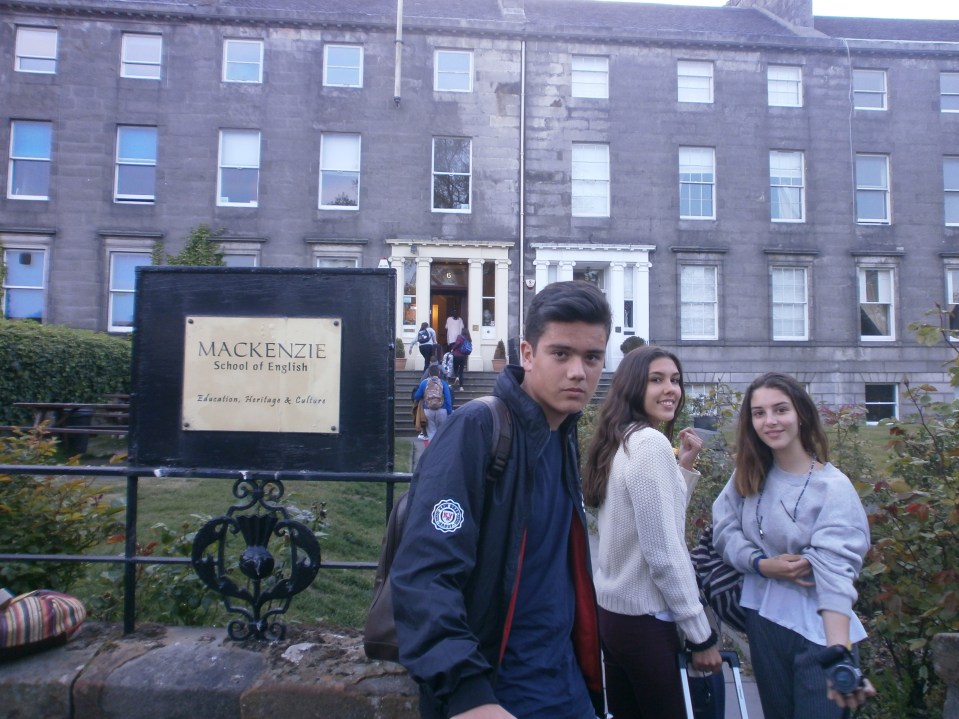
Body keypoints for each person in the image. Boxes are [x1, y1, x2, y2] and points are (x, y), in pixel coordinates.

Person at [390, 280, 612, 719]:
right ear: (527, 354)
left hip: (567, 687)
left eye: (592, 357)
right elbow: (425, 574)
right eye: (561, 354)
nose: (578, 372)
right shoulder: (477, 430)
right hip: (499, 695)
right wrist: (468, 694)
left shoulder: (561, 433)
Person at [712, 372, 877, 719]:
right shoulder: (749, 473)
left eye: (780, 409)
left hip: (816, 635)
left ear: (800, 413)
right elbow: (724, 528)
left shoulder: (833, 488)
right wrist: (759, 563)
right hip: (763, 624)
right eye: (759, 413)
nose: (770, 421)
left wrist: (838, 654)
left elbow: (836, 576)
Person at [582, 346, 722, 719]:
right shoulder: (651, 444)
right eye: (656, 380)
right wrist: (700, 634)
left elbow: (654, 517)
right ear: (632, 387)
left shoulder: (622, 438)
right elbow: (663, 552)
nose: (670, 389)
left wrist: (682, 467)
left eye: (675, 380)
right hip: (648, 623)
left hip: (615, 618)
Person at [412, 364, 453, 440]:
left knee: (431, 432)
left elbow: (417, 396)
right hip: (442, 409)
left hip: (428, 409)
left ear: (429, 373)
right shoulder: (443, 383)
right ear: (439, 373)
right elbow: (448, 398)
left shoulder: (424, 382)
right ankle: (441, 447)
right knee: (442, 433)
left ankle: (432, 447)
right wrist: (449, 412)